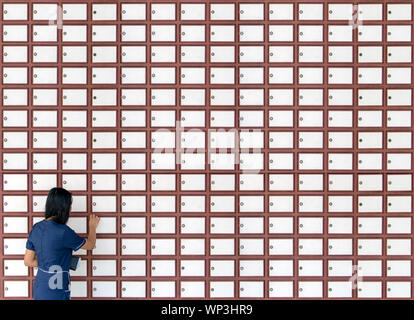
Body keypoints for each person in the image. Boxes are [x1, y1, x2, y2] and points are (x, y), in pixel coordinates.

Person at [24, 187, 100, 300]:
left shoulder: (36, 228)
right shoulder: (63, 232)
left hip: (40, 287)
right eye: (69, 206)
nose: (71, 209)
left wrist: (54, 262)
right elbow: (90, 245)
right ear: (63, 209)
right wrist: (92, 227)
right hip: (56, 287)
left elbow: (28, 261)